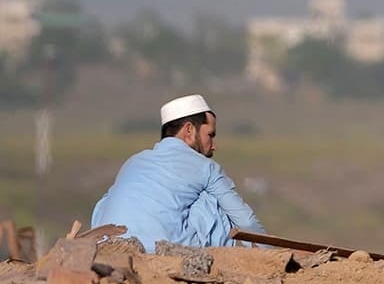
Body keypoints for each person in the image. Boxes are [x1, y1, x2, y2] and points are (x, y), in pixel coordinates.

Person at [91, 94, 265, 250]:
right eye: (210, 135)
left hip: (110, 248)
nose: (213, 146)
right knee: (212, 200)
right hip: (162, 252)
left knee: (108, 200)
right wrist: (275, 254)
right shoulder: (205, 166)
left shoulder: (133, 161)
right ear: (189, 130)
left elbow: (101, 210)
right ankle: (220, 260)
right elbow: (245, 222)